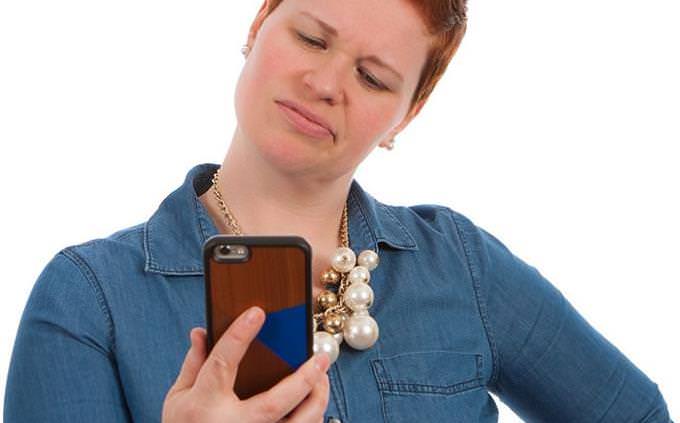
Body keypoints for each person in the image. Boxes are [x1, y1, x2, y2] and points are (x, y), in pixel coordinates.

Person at [4, 0, 674, 421]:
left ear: (406, 113)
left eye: (373, 78)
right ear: (259, 23)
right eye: (312, 39)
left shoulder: (462, 267)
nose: (324, 85)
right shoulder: (90, 297)